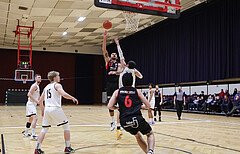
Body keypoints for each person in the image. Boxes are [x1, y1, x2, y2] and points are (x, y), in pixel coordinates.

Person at [108, 73, 155, 154]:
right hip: (137, 118)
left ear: (122, 81)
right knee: (150, 134)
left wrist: (117, 107)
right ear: (132, 81)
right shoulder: (137, 91)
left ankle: (147, 153)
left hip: (124, 121)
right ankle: (150, 151)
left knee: (138, 135)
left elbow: (109, 106)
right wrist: (142, 106)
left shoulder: (117, 92)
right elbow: (148, 105)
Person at [34, 71, 78, 154]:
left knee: (44, 129)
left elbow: (40, 101)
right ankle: (67, 147)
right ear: (54, 78)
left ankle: (37, 149)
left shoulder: (46, 87)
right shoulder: (57, 85)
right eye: (58, 76)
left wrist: (43, 110)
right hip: (55, 108)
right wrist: (72, 97)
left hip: (47, 109)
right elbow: (63, 94)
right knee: (66, 126)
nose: (59, 77)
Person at [102, 31, 121, 131]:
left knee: (119, 104)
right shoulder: (108, 62)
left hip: (116, 85)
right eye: (112, 53)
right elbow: (104, 50)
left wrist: (114, 73)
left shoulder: (118, 64)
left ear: (116, 57)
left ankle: (119, 124)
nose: (113, 54)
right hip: (109, 85)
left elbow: (120, 71)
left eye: (115, 54)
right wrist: (105, 38)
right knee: (110, 105)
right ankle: (112, 121)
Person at [23, 74, 41, 140]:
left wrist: (40, 101)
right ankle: (33, 135)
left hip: (33, 104)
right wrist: (37, 101)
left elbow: (38, 96)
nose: (40, 78)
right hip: (31, 103)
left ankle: (26, 133)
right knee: (35, 118)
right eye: (38, 77)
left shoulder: (38, 86)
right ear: (35, 79)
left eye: (40, 78)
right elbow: (29, 94)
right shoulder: (34, 85)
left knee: (30, 119)